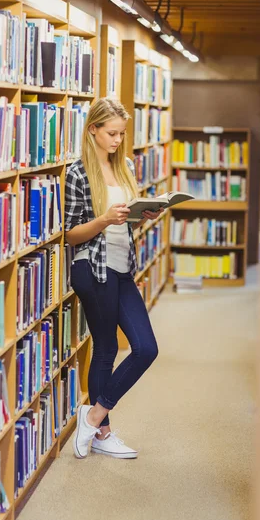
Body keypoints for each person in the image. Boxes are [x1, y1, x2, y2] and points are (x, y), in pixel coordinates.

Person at [65, 97, 164, 460]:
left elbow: (127, 218)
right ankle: (102, 432)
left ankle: (92, 416)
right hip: (93, 268)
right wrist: (104, 219)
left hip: (123, 266)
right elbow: (71, 234)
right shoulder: (78, 173)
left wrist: (144, 214)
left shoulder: (124, 166)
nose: (117, 140)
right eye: (111, 133)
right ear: (92, 129)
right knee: (106, 348)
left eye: (121, 134)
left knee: (146, 348)